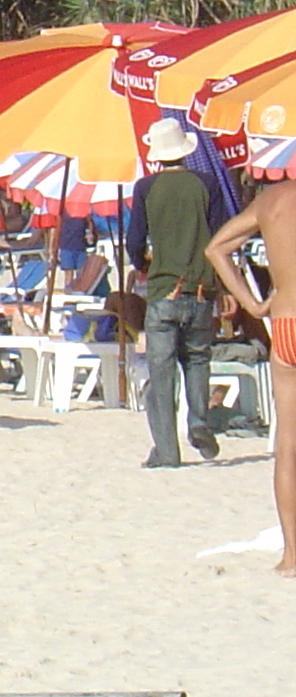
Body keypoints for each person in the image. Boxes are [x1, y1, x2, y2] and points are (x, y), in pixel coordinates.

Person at [203, 176, 296, 576]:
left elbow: (216, 248)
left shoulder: (272, 199)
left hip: (286, 324)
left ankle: (292, 555)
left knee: (288, 446)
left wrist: (254, 306)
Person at [135, 118, 223, 468]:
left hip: (162, 289)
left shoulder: (146, 188)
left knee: (162, 371)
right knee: (198, 359)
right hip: (202, 288)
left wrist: (141, 263)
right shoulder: (207, 183)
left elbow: (135, 240)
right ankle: (199, 422)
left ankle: (167, 451)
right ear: (185, 151)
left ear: (157, 154)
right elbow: (219, 235)